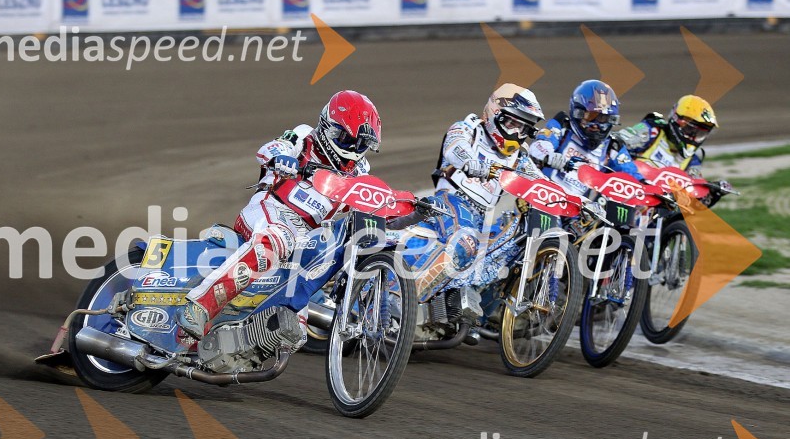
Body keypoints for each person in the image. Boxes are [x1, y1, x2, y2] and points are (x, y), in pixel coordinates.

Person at [177, 90, 436, 340]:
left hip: (307, 237)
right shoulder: (303, 137)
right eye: (346, 139)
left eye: (360, 144)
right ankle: (199, 307)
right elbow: (269, 148)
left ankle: (237, 343)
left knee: (294, 331)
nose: (353, 149)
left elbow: (376, 213)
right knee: (276, 241)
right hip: (271, 210)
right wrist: (282, 158)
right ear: (328, 127)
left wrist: (414, 214)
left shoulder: (359, 172)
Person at [410, 83, 545, 296]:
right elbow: (454, 147)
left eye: (523, 128)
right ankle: (405, 296)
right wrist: (472, 163)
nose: (516, 133)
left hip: (483, 218)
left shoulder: (520, 156)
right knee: (465, 243)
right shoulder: (468, 128)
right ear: (495, 114)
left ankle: (474, 309)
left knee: (511, 250)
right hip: (450, 201)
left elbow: (541, 180)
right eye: (512, 123)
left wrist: (579, 201)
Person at [527, 79, 642, 197]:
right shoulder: (562, 125)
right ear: (578, 113)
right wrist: (548, 156)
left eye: (602, 118)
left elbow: (632, 175)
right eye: (591, 116)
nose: (596, 125)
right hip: (541, 195)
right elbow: (539, 144)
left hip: (581, 206)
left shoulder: (613, 146)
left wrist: (647, 188)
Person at [616, 94, 718, 177]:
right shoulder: (652, 130)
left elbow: (695, 190)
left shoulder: (693, 161)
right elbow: (614, 142)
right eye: (690, 130)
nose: (692, 137)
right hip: (623, 189)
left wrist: (712, 192)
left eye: (700, 134)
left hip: (657, 196)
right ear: (677, 119)